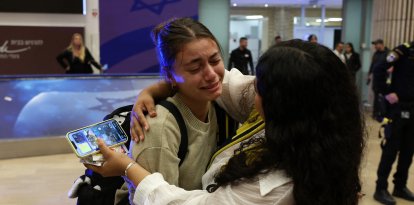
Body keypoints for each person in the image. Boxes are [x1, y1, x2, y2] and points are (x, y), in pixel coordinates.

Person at [87, 39, 365, 205]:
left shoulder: (273, 188)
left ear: (280, 105)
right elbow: (227, 82)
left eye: (260, 88)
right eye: (195, 67)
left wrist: (127, 167)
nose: (211, 76)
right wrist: (153, 90)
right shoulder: (325, 128)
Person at [118, 18, 255, 204]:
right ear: (169, 75)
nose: (211, 75)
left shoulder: (221, 102)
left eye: (215, 60)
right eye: (195, 67)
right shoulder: (159, 129)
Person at [373, 41, 414, 205]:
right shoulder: (403, 50)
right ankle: (380, 188)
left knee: (408, 151)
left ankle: (400, 186)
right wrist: (388, 92)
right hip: (398, 109)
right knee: (390, 150)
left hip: (413, 110)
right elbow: (378, 69)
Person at [368, 39, 389, 121]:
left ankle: (384, 114)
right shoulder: (375, 54)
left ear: (381, 44)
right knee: (376, 97)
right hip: (376, 79)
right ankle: (375, 114)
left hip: (384, 79)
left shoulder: (388, 53)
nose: (375, 46)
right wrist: (369, 73)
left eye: (376, 44)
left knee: (384, 97)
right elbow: (372, 64)